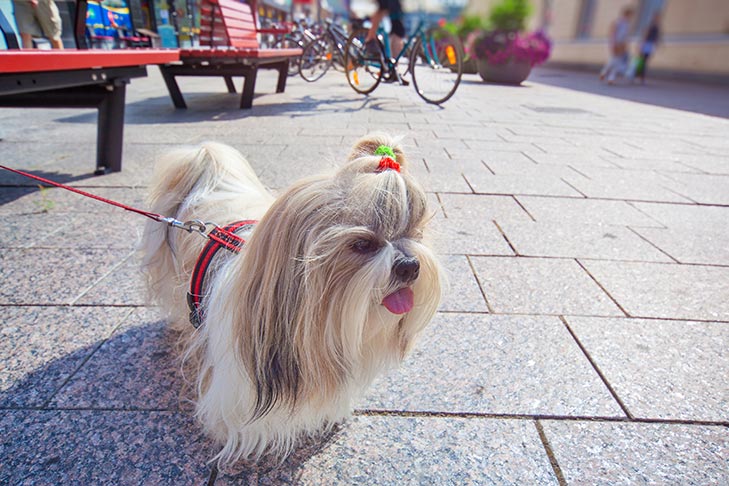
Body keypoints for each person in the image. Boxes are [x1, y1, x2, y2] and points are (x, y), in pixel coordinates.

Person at [599, 7, 633, 84]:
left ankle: (608, 75)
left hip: (622, 44)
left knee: (616, 60)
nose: (631, 17)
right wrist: (613, 44)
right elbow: (612, 33)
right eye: (630, 15)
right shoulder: (618, 22)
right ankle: (607, 74)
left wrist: (626, 45)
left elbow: (626, 36)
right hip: (616, 43)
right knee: (615, 60)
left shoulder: (627, 24)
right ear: (626, 14)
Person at [633, 12, 661, 84]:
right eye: (657, 17)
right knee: (642, 62)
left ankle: (638, 77)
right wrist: (641, 45)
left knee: (643, 62)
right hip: (647, 45)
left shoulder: (656, 26)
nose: (658, 19)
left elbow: (656, 37)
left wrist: (656, 44)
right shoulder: (651, 25)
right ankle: (638, 77)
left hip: (650, 45)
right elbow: (645, 35)